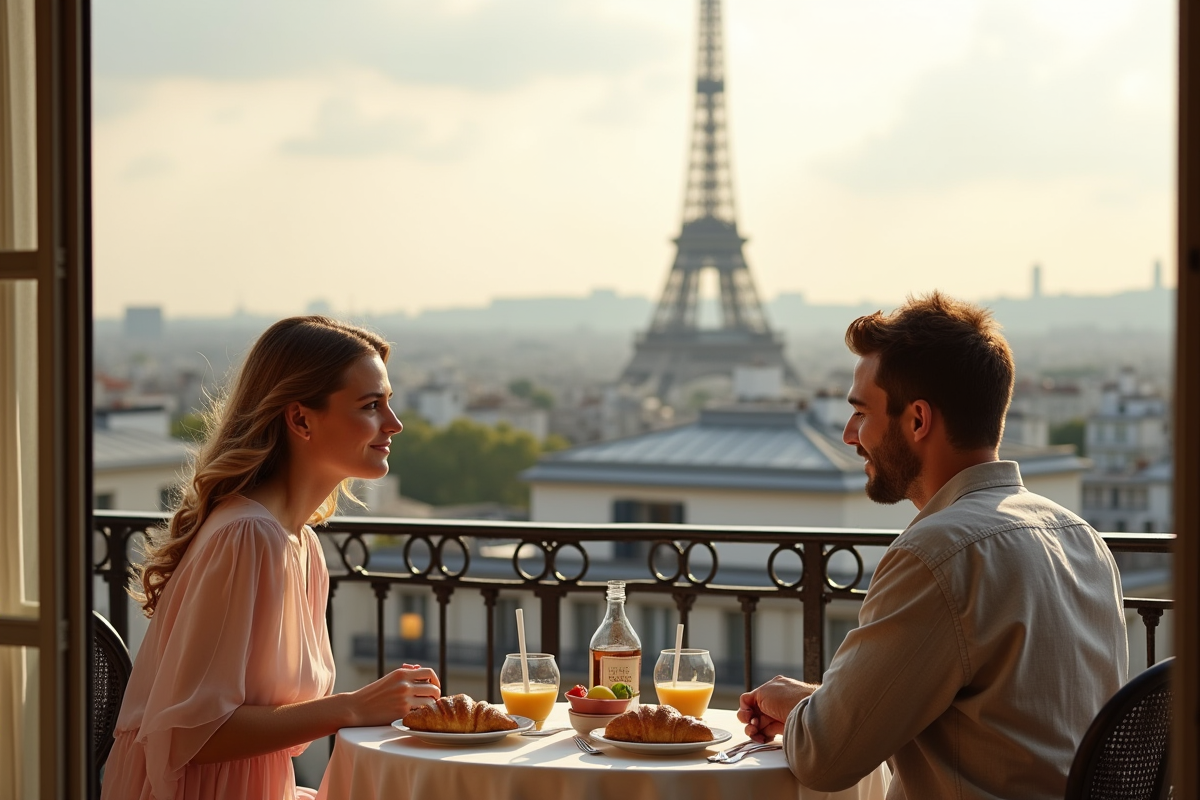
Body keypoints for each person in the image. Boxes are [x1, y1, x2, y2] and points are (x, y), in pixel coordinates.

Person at [738, 292, 1128, 800]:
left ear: (918, 421)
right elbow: (1011, 722)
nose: (850, 434)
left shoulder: (936, 553)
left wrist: (807, 717)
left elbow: (824, 760)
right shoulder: (1080, 538)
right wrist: (812, 704)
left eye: (861, 413)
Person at [101, 316, 442, 800]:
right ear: (301, 418)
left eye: (388, 402)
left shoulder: (299, 543)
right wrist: (352, 707)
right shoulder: (247, 536)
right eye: (371, 406)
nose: (395, 423)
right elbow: (186, 736)